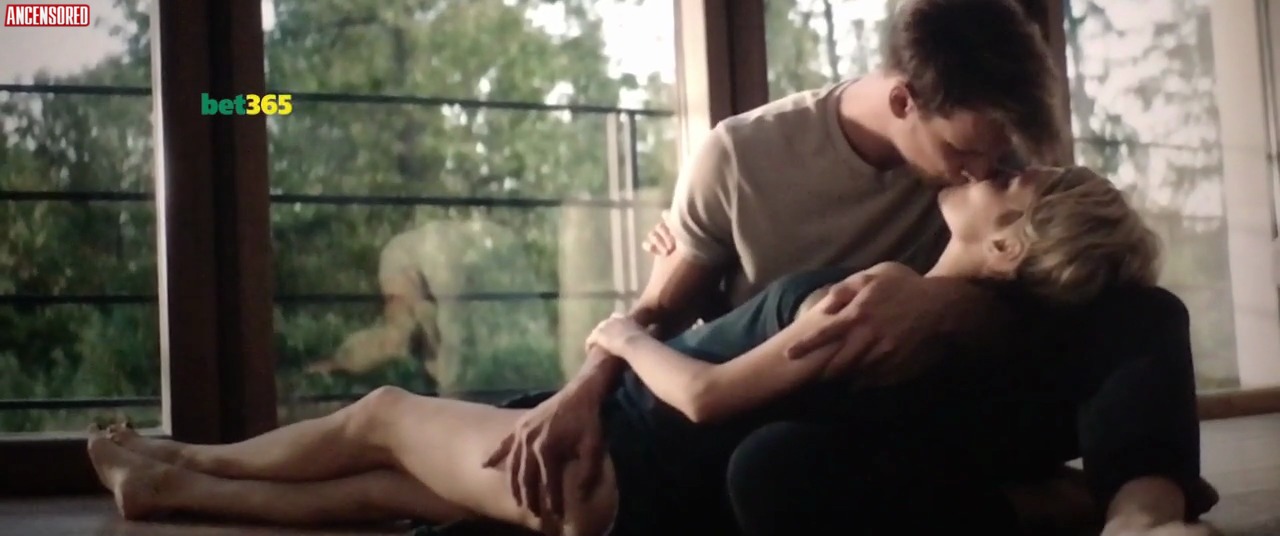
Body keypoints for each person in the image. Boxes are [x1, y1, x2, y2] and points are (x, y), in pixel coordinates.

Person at [88, 165, 1163, 536]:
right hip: (627, 479)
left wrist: (621, 332)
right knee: (389, 487)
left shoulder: (886, 303)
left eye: (1009, 182)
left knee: (380, 414)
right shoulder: (940, 326)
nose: (989, 167)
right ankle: (171, 482)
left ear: (1010, 244)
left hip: (617, 458)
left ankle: (190, 456)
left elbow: (706, 397)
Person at [480, 0, 1216, 534]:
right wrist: (581, 388)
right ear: (904, 100)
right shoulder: (739, 158)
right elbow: (660, 322)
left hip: (957, 389)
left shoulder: (991, 158)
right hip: (825, 414)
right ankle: (1042, 505)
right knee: (769, 467)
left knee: (1142, 311)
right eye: (966, 154)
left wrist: (944, 306)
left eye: (999, 158)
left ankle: (1143, 511)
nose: (986, 168)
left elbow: (1053, 262)